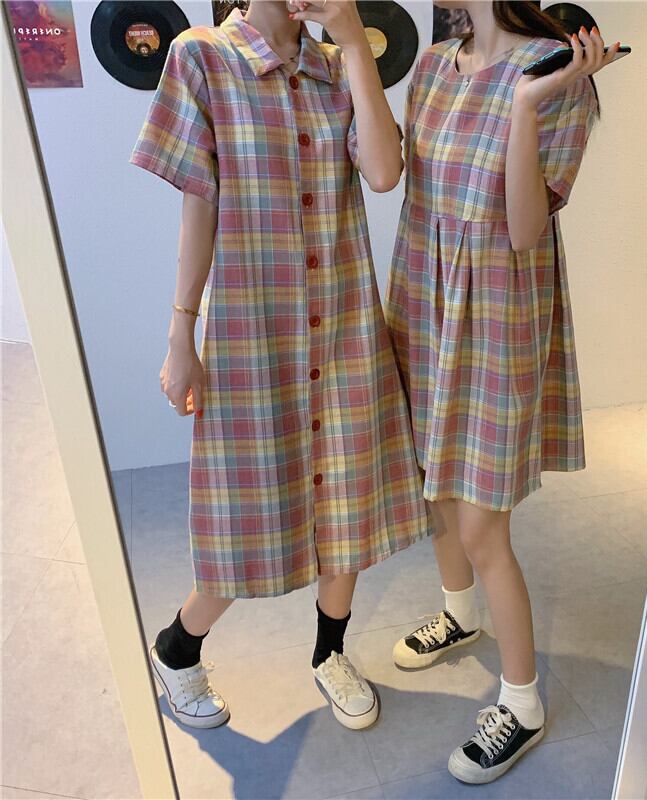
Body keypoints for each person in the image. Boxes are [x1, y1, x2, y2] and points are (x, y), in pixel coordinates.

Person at [129, 0, 431, 731]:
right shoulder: (202, 57)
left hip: (345, 327)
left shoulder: (337, 66)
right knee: (248, 513)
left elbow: (383, 173)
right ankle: (177, 646)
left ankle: (329, 652)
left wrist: (352, 40)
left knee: (348, 501)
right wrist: (181, 335)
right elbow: (199, 205)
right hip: (252, 332)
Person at [386, 1, 618, 783]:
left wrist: (524, 104)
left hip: (494, 315)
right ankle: (459, 615)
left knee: (482, 524)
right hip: (423, 299)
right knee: (435, 487)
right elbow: (408, 191)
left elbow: (523, 230)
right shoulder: (431, 67)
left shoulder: (558, 78)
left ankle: (522, 704)